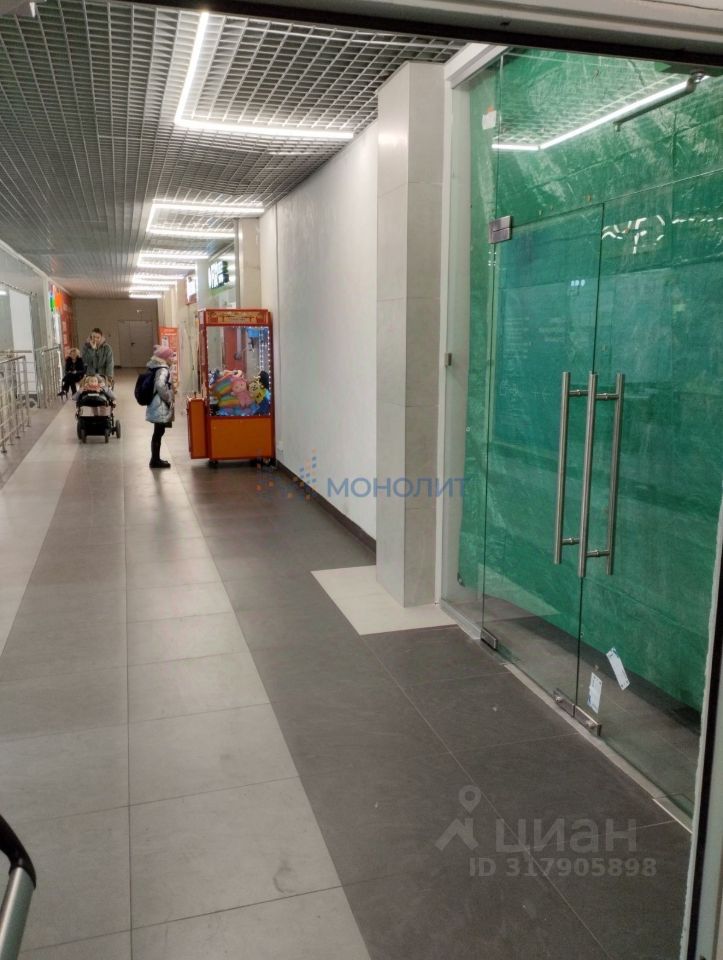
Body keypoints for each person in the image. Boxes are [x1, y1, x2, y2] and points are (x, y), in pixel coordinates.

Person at [145, 345, 175, 469]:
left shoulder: (156, 367)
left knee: (158, 432)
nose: (173, 358)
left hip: (156, 404)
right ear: (165, 358)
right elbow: (159, 384)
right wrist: (168, 398)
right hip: (160, 405)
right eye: (171, 356)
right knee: (158, 432)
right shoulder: (163, 369)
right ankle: (155, 460)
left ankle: (155, 458)